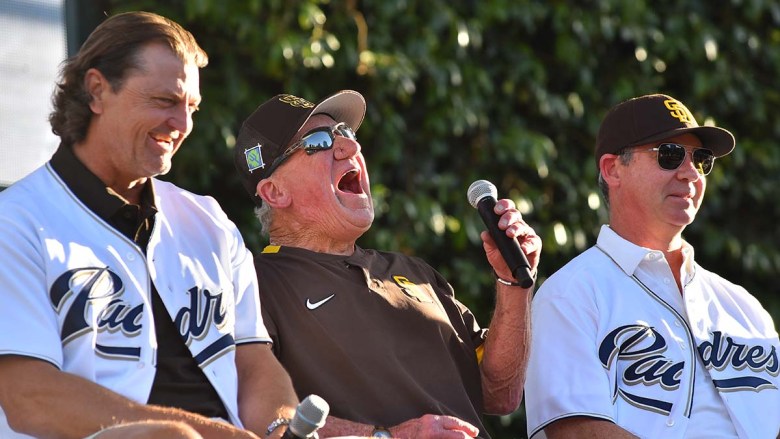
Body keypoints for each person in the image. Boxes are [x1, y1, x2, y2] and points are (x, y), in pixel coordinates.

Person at [0, 11, 298, 439]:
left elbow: (251, 361)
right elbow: (29, 397)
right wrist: (203, 433)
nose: (181, 125)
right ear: (97, 91)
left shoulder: (208, 220)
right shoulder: (15, 223)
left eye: (190, 107)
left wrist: (279, 427)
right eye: (164, 101)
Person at [232, 90, 541, 439]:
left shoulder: (416, 272)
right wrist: (387, 436)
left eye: (346, 134)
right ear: (274, 193)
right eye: (318, 141)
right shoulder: (252, 284)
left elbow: (500, 394)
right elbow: (254, 417)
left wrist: (513, 283)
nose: (350, 148)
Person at [524, 94, 780, 439]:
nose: (690, 173)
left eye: (701, 159)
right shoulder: (570, 295)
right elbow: (577, 430)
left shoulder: (743, 307)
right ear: (613, 169)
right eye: (670, 155)